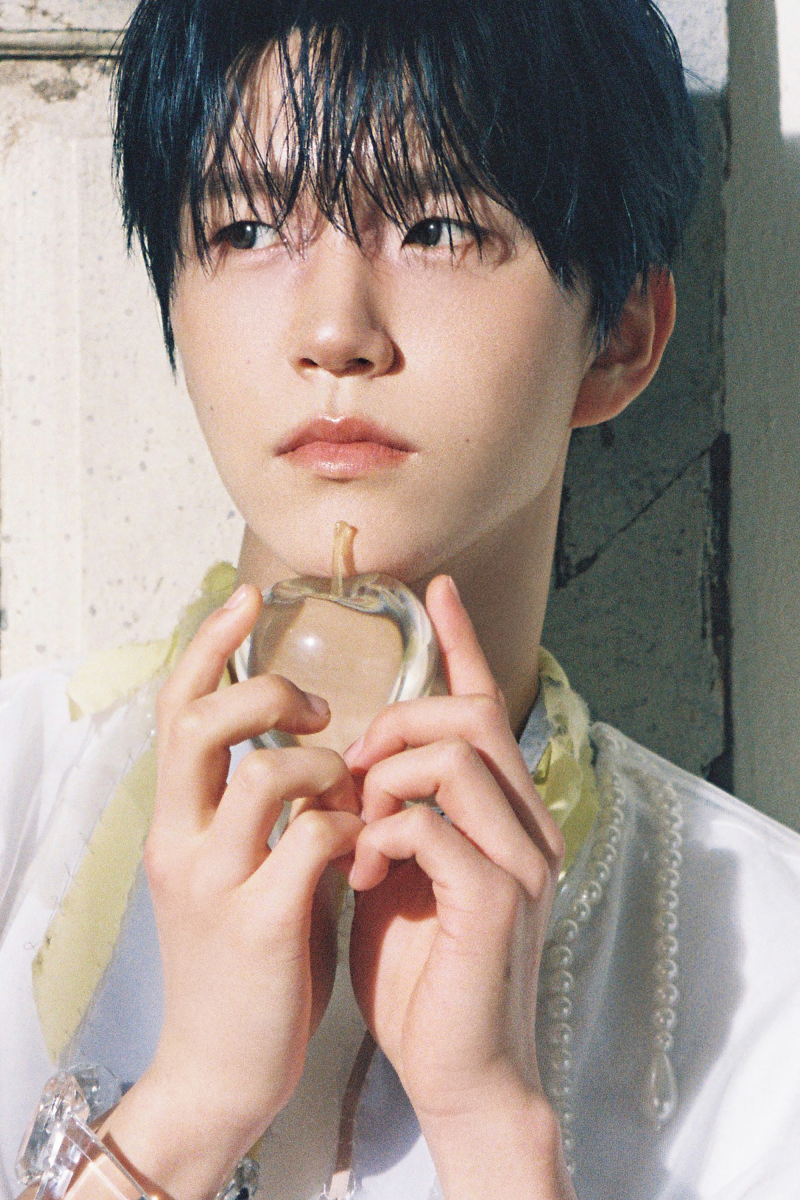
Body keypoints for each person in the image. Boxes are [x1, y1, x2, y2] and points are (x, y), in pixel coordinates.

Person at [3, 0, 800, 1198]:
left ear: (620, 335)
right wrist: (189, 1109)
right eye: (247, 228)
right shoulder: (21, 800)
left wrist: (493, 1132)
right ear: (171, 296)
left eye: (435, 227)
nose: (334, 332)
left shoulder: (762, 970)